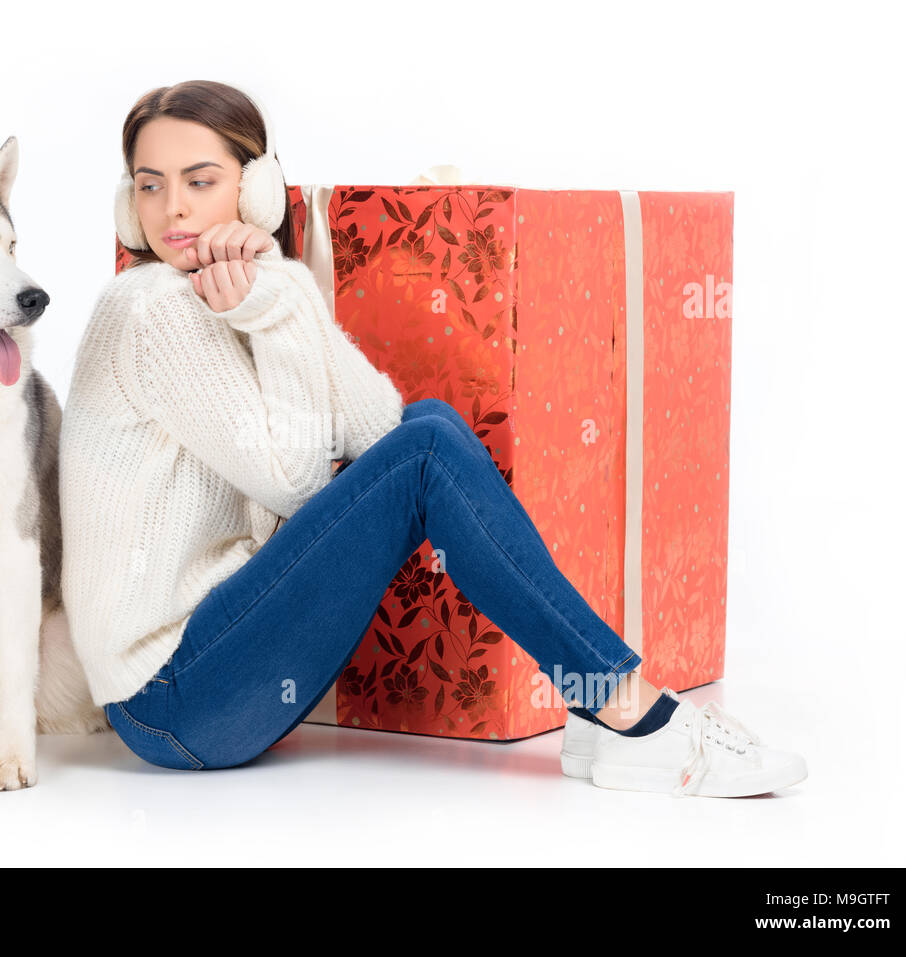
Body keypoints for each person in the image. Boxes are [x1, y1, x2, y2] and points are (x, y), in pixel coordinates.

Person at [58, 80, 807, 797]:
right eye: (149, 184)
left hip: (218, 670)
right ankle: (629, 711)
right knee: (426, 451)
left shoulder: (227, 293)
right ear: (128, 202)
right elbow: (292, 480)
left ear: (255, 192)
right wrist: (278, 303)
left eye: (199, 181)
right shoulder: (149, 309)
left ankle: (596, 707)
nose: (172, 211)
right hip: (173, 702)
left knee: (429, 426)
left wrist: (270, 288)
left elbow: (376, 419)